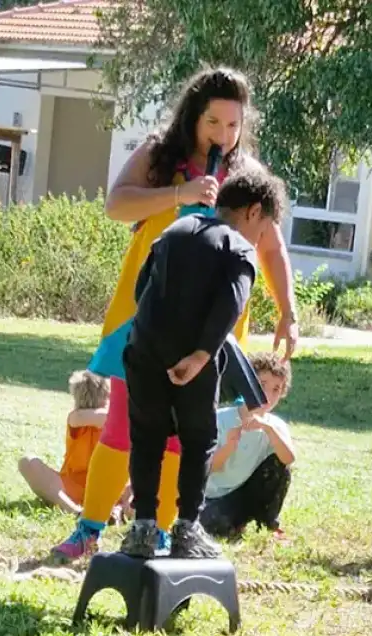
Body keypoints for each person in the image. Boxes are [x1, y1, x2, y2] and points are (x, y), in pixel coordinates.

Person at [50, 67, 298, 564]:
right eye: (213, 124)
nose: (224, 137)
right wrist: (181, 195)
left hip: (211, 328)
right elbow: (117, 204)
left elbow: (269, 243)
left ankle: (161, 534)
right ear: (194, 115)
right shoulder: (161, 152)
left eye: (233, 126)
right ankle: (89, 528)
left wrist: (288, 311)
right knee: (123, 424)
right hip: (144, 315)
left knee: (185, 438)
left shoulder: (246, 171)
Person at [118, 164, 284, 559]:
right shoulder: (239, 249)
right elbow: (232, 302)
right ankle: (187, 529)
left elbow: (142, 288)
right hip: (193, 356)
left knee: (147, 436)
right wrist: (199, 354)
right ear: (254, 211)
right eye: (263, 230)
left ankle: (143, 528)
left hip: (143, 350)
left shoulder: (174, 230)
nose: (259, 239)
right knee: (199, 439)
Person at [201, 352, 296, 537]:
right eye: (262, 385)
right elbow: (207, 468)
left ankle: (268, 522)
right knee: (214, 526)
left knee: (280, 466)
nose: (268, 395)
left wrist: (269, 429)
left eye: (276, 389)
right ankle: (234, 523)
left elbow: (288, 458)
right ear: (246, 384)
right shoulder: (220, 419)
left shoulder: (275, 426)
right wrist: (228, 447)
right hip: (211, 496)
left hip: (244, 492)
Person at [19, 370, 115, 515]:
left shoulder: (115, 419)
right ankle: (75, 510)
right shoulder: (77, 417)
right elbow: (100, 418)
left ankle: (119, 509)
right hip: (73, 486)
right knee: (27, 462)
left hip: (111, 486)